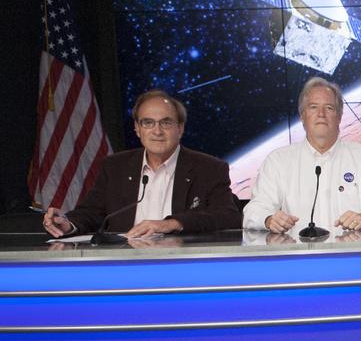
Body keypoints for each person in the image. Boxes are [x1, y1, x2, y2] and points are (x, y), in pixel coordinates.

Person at [43, 90, 240, 238]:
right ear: (137, 129)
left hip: (182, 262)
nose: (157, 131)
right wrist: (68, 224)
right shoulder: (115, 167)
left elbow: (227, 216)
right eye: (148, 123)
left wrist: (173, 223)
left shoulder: (209, 168)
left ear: (180, 128)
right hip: (125, 264)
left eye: (166, 122)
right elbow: (92, 213)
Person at [243, 78, 361, 233]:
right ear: (302, 116)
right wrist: (269, 219)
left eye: (329, 108)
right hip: (299, 255)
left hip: (350, 254)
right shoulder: (277, 161)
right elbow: (254, 211)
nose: (321, 114)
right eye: (313, 107)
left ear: (339, 116)